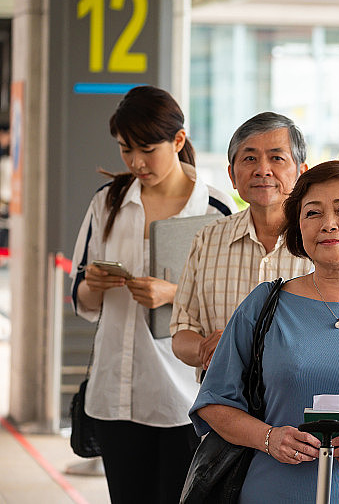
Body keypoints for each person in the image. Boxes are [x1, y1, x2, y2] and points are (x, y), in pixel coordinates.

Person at [190, 160, 339, 503]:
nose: (328, 224)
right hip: (270, 492)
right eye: (312, 213)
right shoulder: (265, 304)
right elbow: (213, 404)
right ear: (299, 228)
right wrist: (268, 438)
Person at [69, 85, 237, 504]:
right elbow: (81, 298)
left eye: (147, 150)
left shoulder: (214, 210)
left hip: (180, 397)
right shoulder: (107, 202)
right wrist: (94, 284)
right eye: (126, 149)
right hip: (114, 394)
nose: (136, 163)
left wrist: (174, 295)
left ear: (178, 140)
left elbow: (233, 307)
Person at [171, 112, 312, 378]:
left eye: (277, 158)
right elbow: (181, 332)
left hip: (298, 398)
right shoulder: (208, 239)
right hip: (221, 397)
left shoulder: (320, 242)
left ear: (301, 173)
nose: (262, 170)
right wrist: (205, 348)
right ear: (232, 176)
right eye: (249, 158)